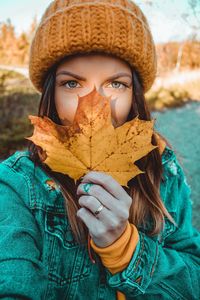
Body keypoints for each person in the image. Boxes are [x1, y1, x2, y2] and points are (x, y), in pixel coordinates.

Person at [0, 0, 199, 299]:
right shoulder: (17, 184)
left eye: (116, 84)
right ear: (50, 92)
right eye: (71, 84)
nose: (97, 103)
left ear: (137, 94)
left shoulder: (163, 171)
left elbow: (192, 279)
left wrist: (125, 248)